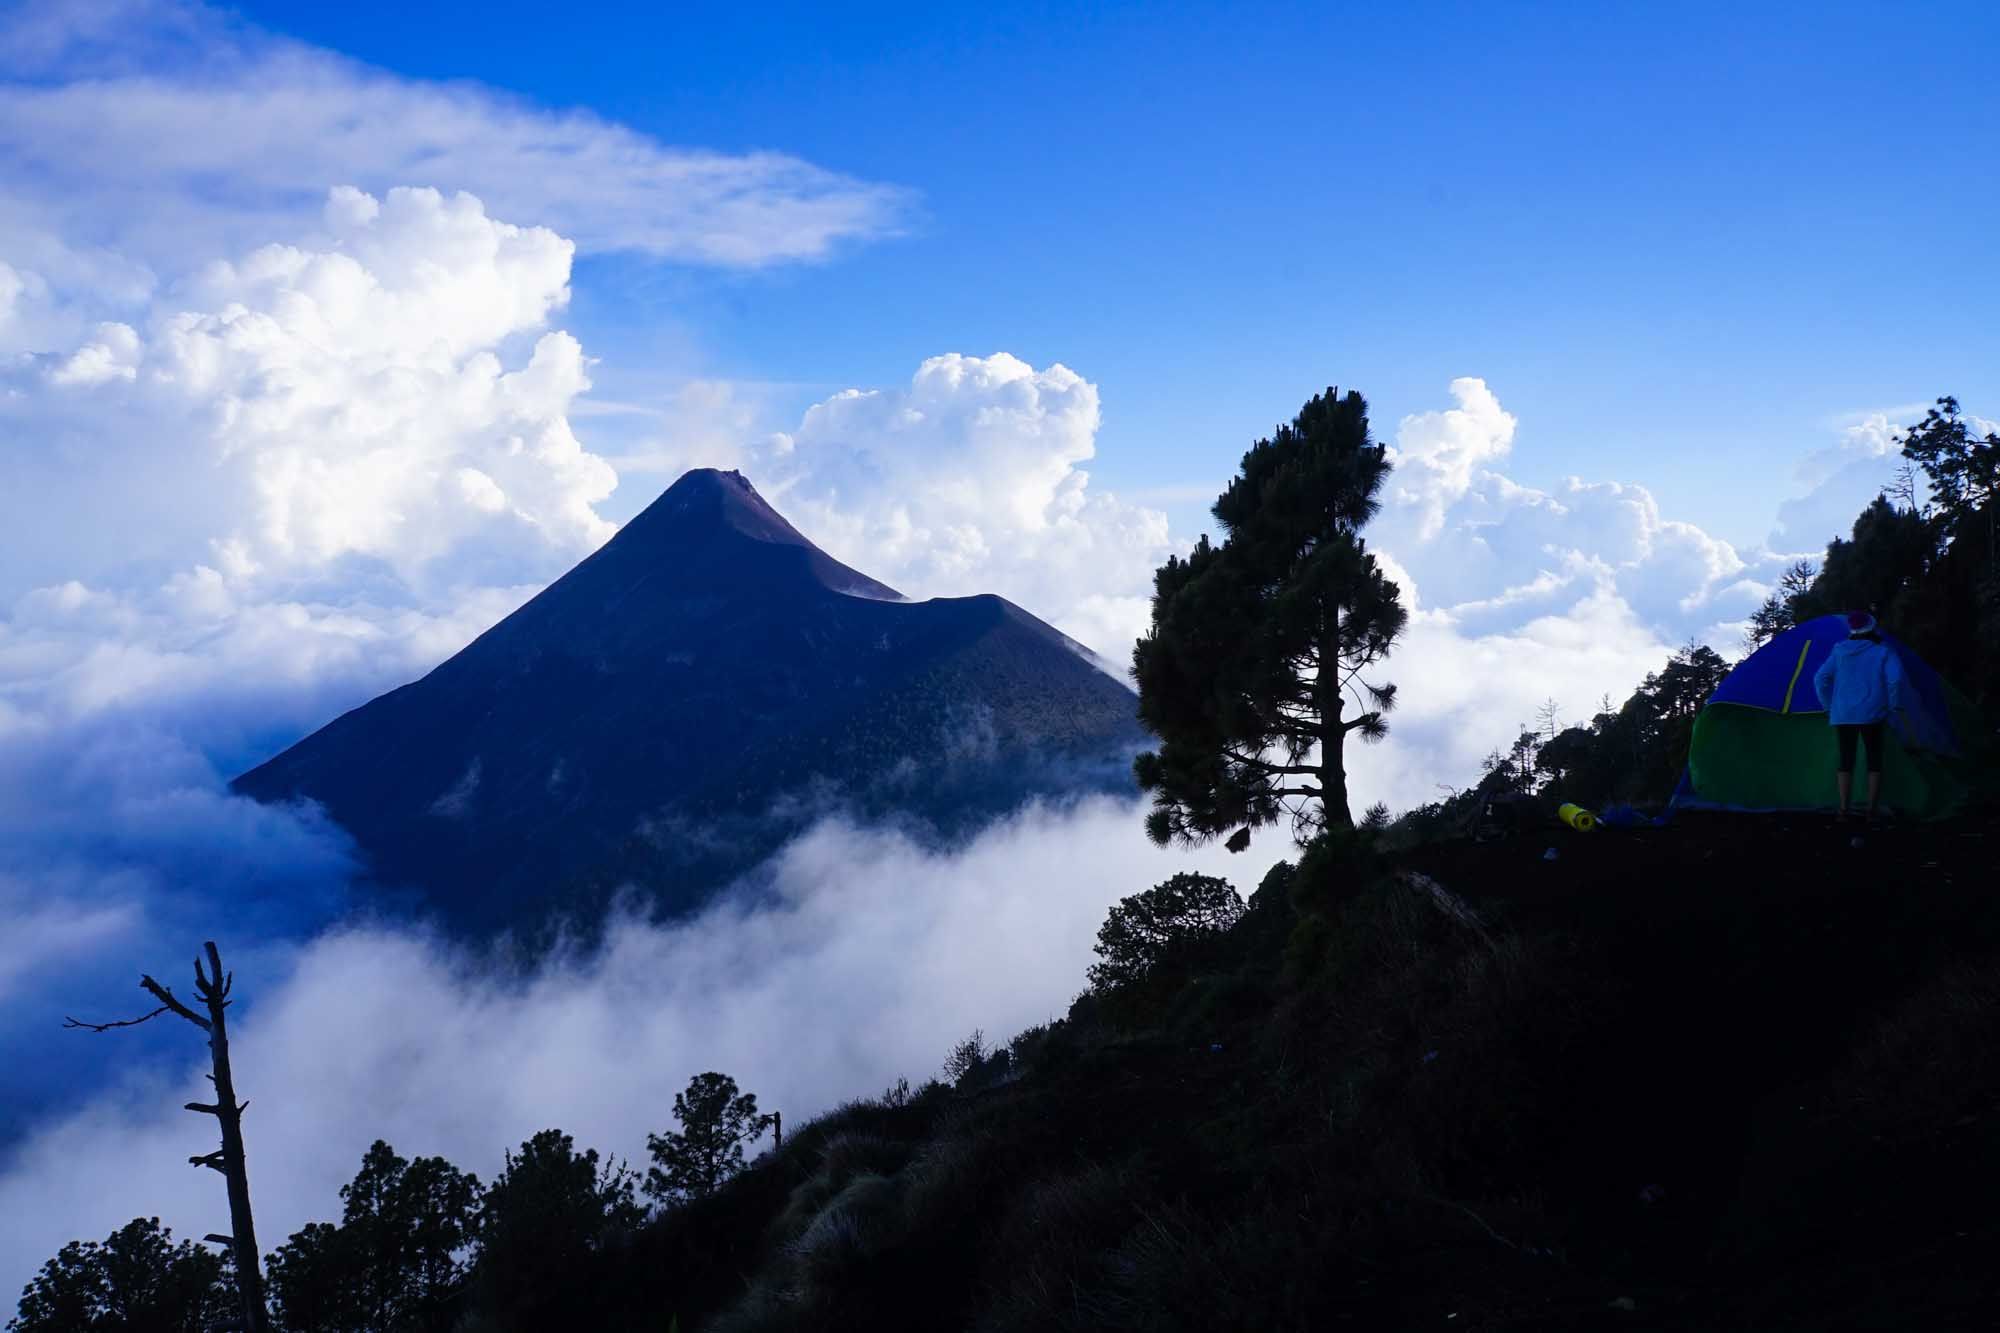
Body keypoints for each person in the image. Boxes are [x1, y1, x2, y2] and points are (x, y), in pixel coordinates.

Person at [1811, 612, 1908, 824]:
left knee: (1846, 760)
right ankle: (1871, 811)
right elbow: (1895, 680)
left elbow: (1820, 679)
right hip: (1873, 713)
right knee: (1874, 760)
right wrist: (1894, 704)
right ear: (1872, 627)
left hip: (1842, 714)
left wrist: (1829, 707)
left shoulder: (1839, 650)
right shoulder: (1883, 651)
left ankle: (1843, 810)